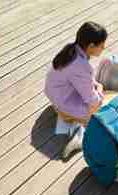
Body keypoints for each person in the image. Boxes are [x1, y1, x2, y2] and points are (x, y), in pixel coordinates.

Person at [44, 21, 107, 157]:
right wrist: (100, 89)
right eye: (102, 45)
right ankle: (79, 136)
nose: (104, 48)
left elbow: (79, 78)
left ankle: (70, 119)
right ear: (91, 46)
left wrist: (93, 84)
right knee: (104, 111)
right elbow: (93, 101)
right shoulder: (80, 66)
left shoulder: (71, 49)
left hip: (57, 95)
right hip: (63, 103)